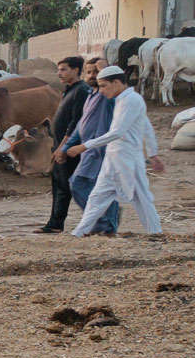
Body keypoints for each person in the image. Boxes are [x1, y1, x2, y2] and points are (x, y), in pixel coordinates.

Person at [68, 65, 165, 237]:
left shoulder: (131, 100)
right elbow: (146, 127)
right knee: (97, 197)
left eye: (104, 86)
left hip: (128, 159)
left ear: (117, 82)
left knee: (141, 198)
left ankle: (156, 233)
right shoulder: (123, 99)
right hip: (114, 158)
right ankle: (78, 233)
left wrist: (85, 146)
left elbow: (118, 132)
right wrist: (153, 154)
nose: (101, 91)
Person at [60, 57, 119, 235]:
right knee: (96, 189)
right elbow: (80, 126)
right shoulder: (90, 96)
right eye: (89, 72)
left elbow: (113, 79)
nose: (92, 76)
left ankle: (104, 223)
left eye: (96, 72)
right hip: (88, 152)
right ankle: (106, 223)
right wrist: (66, 147)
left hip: (101, 151)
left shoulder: (107, 96)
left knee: (79, 184)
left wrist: (103, 67)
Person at [37, 56, 92, 233]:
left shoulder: (81, 91)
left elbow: (76, 122)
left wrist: (63, 147)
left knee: (72, 186)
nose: (59, 73)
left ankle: (99, 219)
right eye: (58, 69)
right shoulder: (69, 90)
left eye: (63, 69)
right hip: (61, 145)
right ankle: (55, 224)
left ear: (76, 70)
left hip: (70, 149)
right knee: (61, 186)